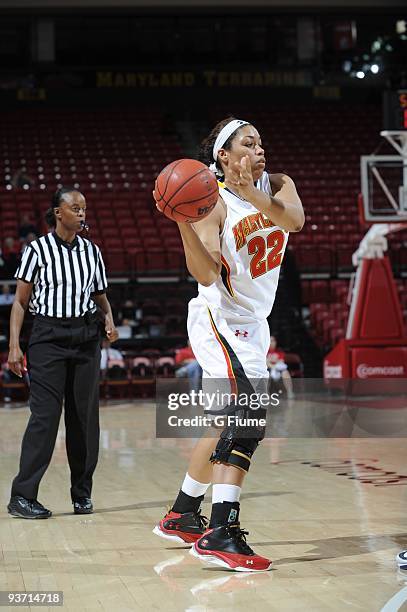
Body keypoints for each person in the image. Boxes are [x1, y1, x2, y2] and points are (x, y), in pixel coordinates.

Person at [153, 117, 304, 570]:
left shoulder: (278, 184)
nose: (260, 149)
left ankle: (182, 515)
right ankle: (220, 530)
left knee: (222, 424)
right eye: (248, 143)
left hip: (253, 322)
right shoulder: (212, 202)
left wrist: (253, 191)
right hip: (220, 319)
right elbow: (204, 274)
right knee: (249, 415)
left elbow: (292, 221)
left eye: (261, 141)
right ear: (223, 155)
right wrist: (184, 221)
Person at [7, 186, 118, 519]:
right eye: (75, 208)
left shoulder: (91, 251)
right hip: (47, 338)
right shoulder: (36, 250)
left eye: (84, 208)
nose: (82, 213)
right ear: (58, 212)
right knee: (45, 417)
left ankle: (81, 494)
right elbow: (20, 301)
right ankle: (22, 496)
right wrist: (14, 344)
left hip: (85, 337)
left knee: (84, 419)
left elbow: (99, 296)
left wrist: (109, 320)